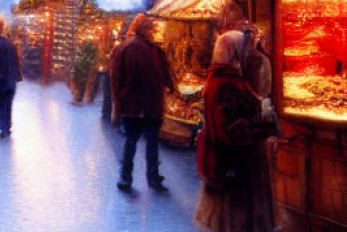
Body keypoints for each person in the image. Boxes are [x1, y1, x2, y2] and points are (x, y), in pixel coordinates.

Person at [195, 30, 276, 232]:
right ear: (234, 52)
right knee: (236, 220)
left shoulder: (223, 78)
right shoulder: (226, 83)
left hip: (230, 162)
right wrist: (264, 126)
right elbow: (230, 131)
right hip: (235, 164)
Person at [109, 12, 176, 193]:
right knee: (148, 143)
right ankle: (150, 177)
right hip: (146, 105)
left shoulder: (127, 48)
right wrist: (171, 88)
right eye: (150, 28)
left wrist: (118, 105)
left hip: (134, 105)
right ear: (143, 28)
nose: (153, 31)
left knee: (132, 142)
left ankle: (127, 177)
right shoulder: (150, 50)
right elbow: (165, 76)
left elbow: (115, 79)